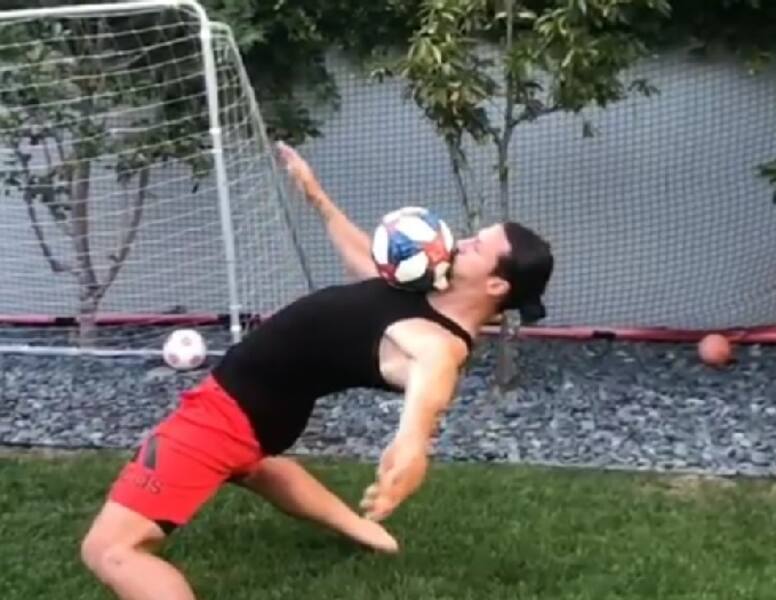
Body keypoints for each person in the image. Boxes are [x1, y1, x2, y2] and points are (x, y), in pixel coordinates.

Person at [80, 142, 554, 600]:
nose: (459, 242)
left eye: (475, 245)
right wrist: (314, 193)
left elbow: (430, 388)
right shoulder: (424, 289)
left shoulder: (438, 343)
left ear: (496, 284)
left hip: (228, 416)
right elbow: (363, 256)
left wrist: (411, 449)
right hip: (262, 410)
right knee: (253, 466)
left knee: (111, 550)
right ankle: (362, 530)